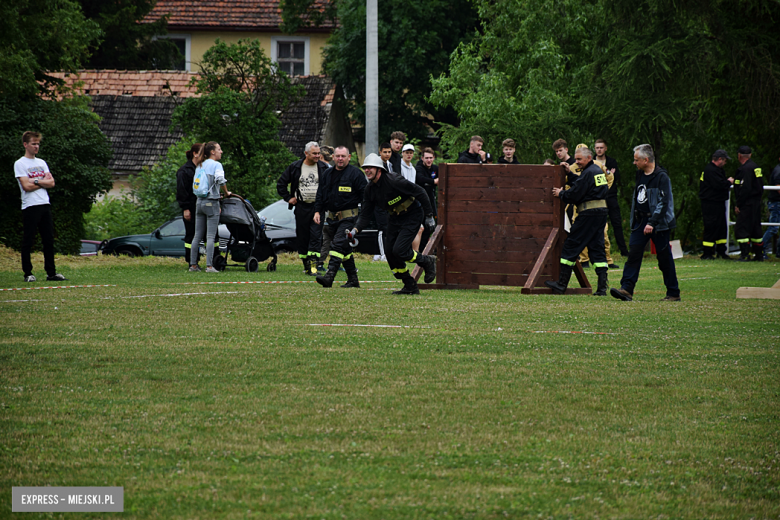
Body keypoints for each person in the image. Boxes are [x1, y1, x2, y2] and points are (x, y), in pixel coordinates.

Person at [351, 153, 437, 294]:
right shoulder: (369, 190)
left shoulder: (394, 180)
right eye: (365, 168)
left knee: (400, 250)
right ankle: (409, 285)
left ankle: (426, 260)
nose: (367, 171)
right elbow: (365, 215)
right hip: (394, 218)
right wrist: (355, 230)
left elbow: (420, 192)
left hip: (412, 214)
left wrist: (429, 216)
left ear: (379, 169)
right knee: (390, 253)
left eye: (370, 168)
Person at [611, 144, 680, 302]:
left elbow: (663, 202)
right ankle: (626, 289)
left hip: (659, 223)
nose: (634, 163)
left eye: (636, 160)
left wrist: (652, 223)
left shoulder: (662, 177)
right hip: (640, 221)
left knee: (664, 259)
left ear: (646, 160)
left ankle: (673, 293)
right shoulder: (640, 174)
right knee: (633, 254)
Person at [545, 147, 610, 296]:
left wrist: (561, 193)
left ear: (588, 158)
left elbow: (575, 194)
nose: (577, 162)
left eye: (579, 159)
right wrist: (570, 173)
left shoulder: (588, 172)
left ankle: (561, 284)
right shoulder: (596, 171)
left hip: (588, 214)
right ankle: (601, 288)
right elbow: (583, 184)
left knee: (571, 245)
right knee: (597, 247)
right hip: (600, 214)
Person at [14, 131, 67, 282]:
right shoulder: (20, 164)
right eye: (33, 144)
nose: (36, 147)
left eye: (38, 144)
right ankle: (28, 273)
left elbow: (51, 183)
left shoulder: (42, 163)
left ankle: (51, 272)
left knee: (48, 239)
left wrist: (36, 182)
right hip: (30, 205)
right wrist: (40, 181)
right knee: (28, 240)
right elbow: (26, 186)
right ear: (26, 145)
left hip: (45, 204)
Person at [313, 146, 367, 288]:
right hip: (332, 218)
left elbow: (366, 197)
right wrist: (317, 211)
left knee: (337, 244)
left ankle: (329, 277)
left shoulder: (356, 174)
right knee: (345, 249)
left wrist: (363, 219)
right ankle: (353, 280)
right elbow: (320, 194)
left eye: (343, 156)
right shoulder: (327, 174)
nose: (340, 159)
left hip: (349, 218)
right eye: (337, 156)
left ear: (349, 157)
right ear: (333, 157)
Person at [277, 141, 330, 275]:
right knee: (303, 237)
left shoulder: (324, 168)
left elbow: (331, 186)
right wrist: (289, 198)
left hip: (318, 208)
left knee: (316, 236)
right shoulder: (295, 167)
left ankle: (314, 267)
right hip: (301, 207)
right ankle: (306, 265)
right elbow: (281, 184)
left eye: (319, 153)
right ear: (306, 153)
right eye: (314, 154)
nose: (318, 156)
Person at [189, 142, 231, 273]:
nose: (221, 151)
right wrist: (226, 192)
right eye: (219, 149)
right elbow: (220, 180)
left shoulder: (200, 164)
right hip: (211, 202)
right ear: (212, 152)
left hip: (199, 201)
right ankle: (209, 266)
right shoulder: (216, 165)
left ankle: (193, 265)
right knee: (211, 236)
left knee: (197, 235)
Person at [594, 139, 629, 257]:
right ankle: (597, 252)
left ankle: (623, 251)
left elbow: (616, 178)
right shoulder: (592, 162)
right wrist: (609, 173)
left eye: (601, 147)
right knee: (597, 224)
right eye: (597, 147)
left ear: (605, 149)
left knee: (617, 223)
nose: (599, 150)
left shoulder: (612, 161)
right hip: (597, 197)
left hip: (611, 196)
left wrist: (609, 174)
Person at [698, 149, 734, 260]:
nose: (725, 163)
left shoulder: (716, 170)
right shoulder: (711, 170)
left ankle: (721, 251)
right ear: (719, 159)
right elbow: (719, 185)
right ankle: (707, 252)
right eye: (725, 160)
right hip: (710, 203)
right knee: (711, 226)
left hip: (717, 202)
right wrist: (729, 182)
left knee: (721, 226)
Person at [734, 145, 765, 261]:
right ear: (750, 155)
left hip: (747, 203)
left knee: (741, 228)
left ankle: (745, 254)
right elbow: (759, 187)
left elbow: (745, 188)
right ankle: (759, 255)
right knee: (756, 228)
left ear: (739, 156)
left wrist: (739, 204)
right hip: (756, 203)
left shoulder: (744, 169)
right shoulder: (755, 167)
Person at [176, 142, 203, 265]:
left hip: (202, 206)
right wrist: (185, 208)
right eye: (203, 152)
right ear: (195, 154)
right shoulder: (184, 171)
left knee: (210, 234)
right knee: (191, 234)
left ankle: (214, 259)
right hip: (191, 207)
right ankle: (191, 260)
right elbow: (182, 191)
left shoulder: (203, 169)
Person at [762, 152, 780, 258]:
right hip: (776, 202)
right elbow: (778, 187)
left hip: (776, 202)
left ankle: (778, 251)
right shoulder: (778, 170)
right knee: (773, 228)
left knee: (774, 227)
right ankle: (761, 249)